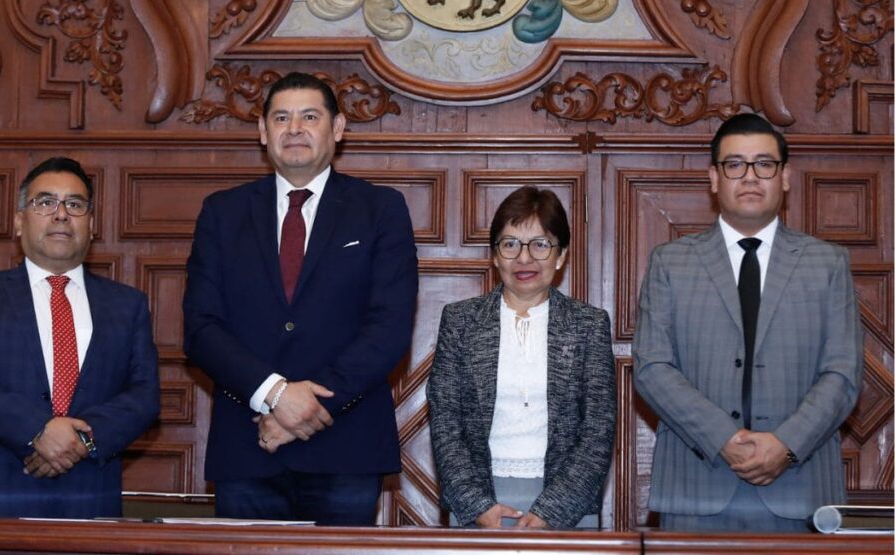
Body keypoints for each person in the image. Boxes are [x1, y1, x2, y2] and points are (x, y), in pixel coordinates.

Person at [183, 72, 418, 525]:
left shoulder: (380, 209)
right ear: (262, 131)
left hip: (346, 447)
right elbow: (201, 327)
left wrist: (311, 407)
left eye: (310, 117)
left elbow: (388, 330)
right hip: (249, 446)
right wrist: (274, 395)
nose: (294, 129)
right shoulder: (222, 212)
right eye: (281, 117)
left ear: (338, 128)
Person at [633, 113, 863, 532]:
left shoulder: (827, 263)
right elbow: (652, 367)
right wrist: (724, 438)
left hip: (801, 488)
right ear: (714, 178)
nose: (750, 177)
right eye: (735, 164)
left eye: (764, 164)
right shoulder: (671, 262)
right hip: (695, 488)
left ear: (785, 177)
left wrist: (787, 444)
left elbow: (843, 373)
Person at [0, 156, 161, 518]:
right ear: (18, 220)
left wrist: (80, 442)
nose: (61, 214)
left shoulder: (127, 305)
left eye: (75, 204)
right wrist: (38, 431)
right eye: (45, 202)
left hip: (90, 497)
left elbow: (144, 396)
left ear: (91, 225)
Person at [427, 186, 615, 529]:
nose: (524, 258)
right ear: (495, 255)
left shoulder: (589, 324)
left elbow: (598, 430)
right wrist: (477, 505)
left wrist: (553, 510)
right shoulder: (460, 321)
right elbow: (446, 424)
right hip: (480, 506)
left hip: (567, 507)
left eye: (540, 244)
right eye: (510, 244)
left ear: (560, 256)